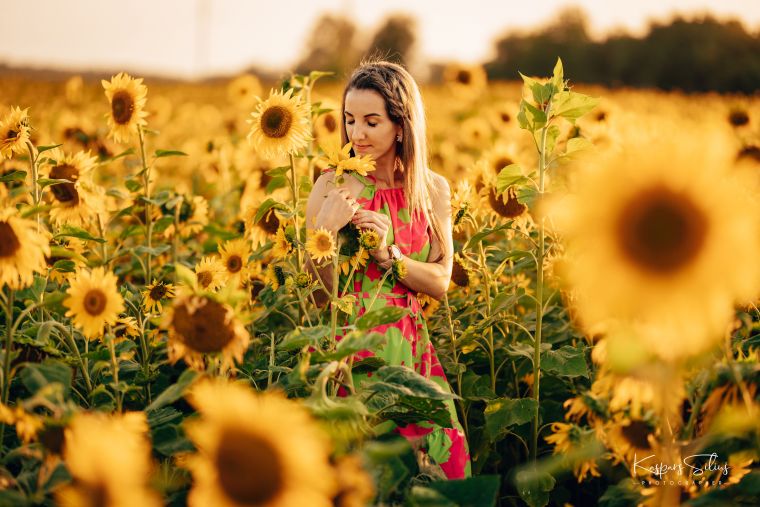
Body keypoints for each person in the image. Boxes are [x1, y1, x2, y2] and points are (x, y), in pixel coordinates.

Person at [304, 60, 471, 479]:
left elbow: (440, 280)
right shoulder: (331, 184)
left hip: (408, 347)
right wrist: (324, 232)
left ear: (401, 125)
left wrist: (388, 255)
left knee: (440, 469)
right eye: (350, 120)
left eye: (371, 121)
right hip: (345, 347)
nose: (356, 134)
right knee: (355, 476)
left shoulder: (431, 189)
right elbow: (317, 295)